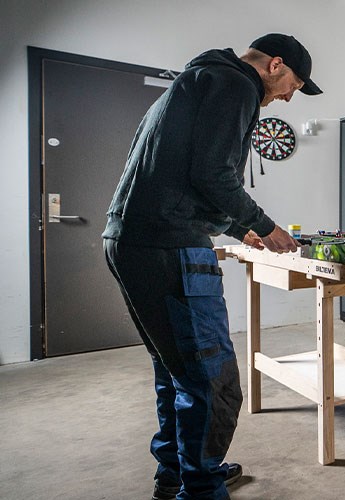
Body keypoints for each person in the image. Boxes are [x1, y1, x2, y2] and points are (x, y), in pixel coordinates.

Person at [103, 33, 320, 499]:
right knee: (212, 379)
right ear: (275, 65)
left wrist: (240, 230)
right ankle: (201, 487)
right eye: (294, 86)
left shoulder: (196, 80)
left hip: (131, 239)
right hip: (170, 245)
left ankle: (177, 474)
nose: (287, 97)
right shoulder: (236, 85)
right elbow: (213, 173)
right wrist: (266, 226)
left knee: (176, 368)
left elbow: (184, 171)